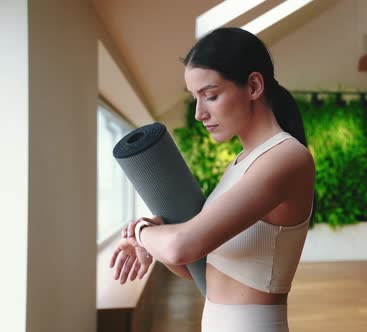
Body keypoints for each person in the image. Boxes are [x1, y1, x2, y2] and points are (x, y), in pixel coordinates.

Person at [109, 27, 315, 332]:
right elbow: (200, 267)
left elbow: (183, 246)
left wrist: (139, 231)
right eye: (195, 98)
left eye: (211, 96)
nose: (199, 113)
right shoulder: (241, 163)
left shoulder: (286, 157)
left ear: (254, 85)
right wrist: (155, 239)